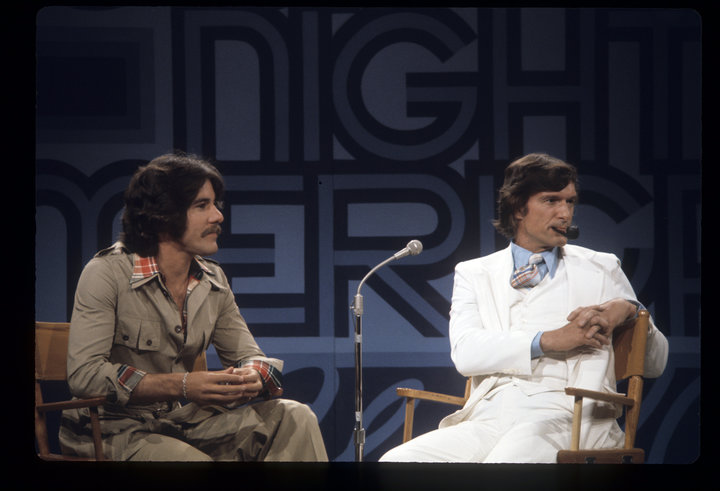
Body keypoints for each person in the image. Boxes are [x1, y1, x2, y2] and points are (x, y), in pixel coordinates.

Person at [379, 153, 668, 463]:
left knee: (504, 467)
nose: (565, 214)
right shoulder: (474, 273)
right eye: (551, 200)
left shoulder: (601, 267)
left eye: (570, 202)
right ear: (518, 208)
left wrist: (629, 311)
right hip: (488, 415)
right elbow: (466, 353)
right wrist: (547, 340)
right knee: (395, 463)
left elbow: (656, 362)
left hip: (566, 414)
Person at [59, 152, 328, 461]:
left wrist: (253, 375)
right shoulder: (106, 273)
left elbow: (249, 355)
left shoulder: (212, 280)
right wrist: (182, 385)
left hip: (177, 423)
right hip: (111, 431)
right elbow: (85, 375)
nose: (218, 216)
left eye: (216, 204)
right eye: (202, 205)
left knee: (295, 417)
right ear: (162, 214)